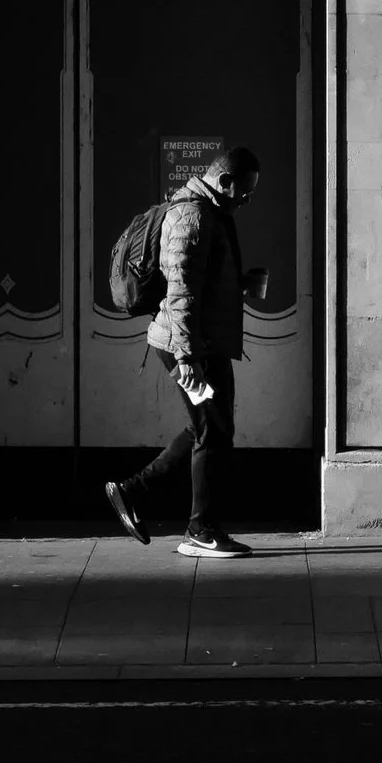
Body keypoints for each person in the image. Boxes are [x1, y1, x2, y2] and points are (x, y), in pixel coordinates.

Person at [105, 145, 259, 558]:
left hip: (197, 340)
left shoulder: (209, 213)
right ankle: (200, 530)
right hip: (189, 344)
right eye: (245, 190)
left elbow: (198, 282)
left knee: (208, 428)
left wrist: (237, 283)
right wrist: (189, 359)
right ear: (223, 180)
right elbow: (181, 293)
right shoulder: (192, 216)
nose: (247, 199)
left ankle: (133, 493)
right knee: (213, 432)